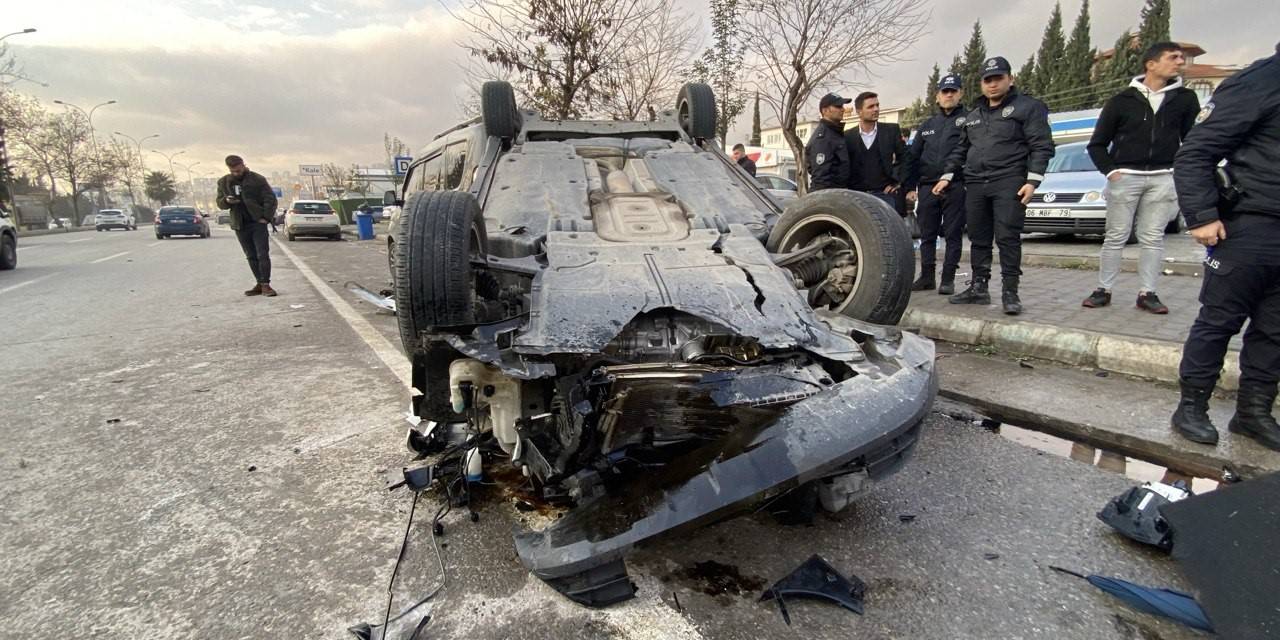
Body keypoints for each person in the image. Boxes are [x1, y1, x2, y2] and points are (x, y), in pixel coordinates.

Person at [1169, 43, 1280, 452]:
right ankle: (1192, 407)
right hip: (1250, 224)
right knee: (1219, 321)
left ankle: (1253, 413)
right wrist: (1201, 215)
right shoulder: (1260, 81)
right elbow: (1196, 152)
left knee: (1275, 330)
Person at [1083, 42, 1200, 314]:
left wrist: (1178, 171)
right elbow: (1097, 144)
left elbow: (1193, 140)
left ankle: (1148, 293)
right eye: (1173, 57)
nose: (1179, 62)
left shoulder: (1184, 99)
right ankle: (1103, 290)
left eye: (1181, 58)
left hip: (1162, 178)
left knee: (1153, 237)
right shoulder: (1122, 101)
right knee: (1116, 236)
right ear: (1151, 64)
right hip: (1126, 177)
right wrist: (1112, 172)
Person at [934, 56, 1054, 315]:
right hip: (976, 183)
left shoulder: (1028, 107)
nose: (992, 84)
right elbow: (961, 149)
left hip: (1009, 181)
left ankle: (1010, 292)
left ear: (1010, 79)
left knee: (1007, 238)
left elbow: (1041, 145)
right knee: (978, 238)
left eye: (998, 78)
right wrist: (947, 175)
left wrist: (1033, 180)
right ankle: (979, 288)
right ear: (981, 83)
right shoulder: (974, 116)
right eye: (987, 80)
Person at [905, 73, 969, 294]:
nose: (949, 95)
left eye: (953, 91)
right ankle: (927, 277)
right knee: (927, 235)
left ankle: (948, 280)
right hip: (927, 187)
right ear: (937, 96)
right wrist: (910, 187)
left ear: (960, 93)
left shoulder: (970, 120)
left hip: (956, 185)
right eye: (945, 91)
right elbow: (912, 157)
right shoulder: (927, 125)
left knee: (953, 234)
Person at [217, 155, 279, 297]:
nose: (236, 173)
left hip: (257, 222)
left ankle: (266, 284)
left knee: (262, 254)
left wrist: (265, 217)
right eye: (233, 171)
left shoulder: (257, 179)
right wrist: (227, 201)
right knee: (250, 255)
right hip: (240, 223)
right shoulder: (224, 182)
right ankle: (259, 283)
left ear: (243, 165)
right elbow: (220, 203)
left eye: (238, 170)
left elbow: (270, 199)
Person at [844, 91, 906, 211]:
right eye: (871, 106)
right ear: (859, 111)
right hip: (857, 197)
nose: (876, 109)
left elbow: (904, 158)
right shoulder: (847, 137)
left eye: (877, 105)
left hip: (885, 196)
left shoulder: (891, 131)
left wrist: (896, 182)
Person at [805, 93, 853, 191]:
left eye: (842, 106)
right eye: (838, 106)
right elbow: (820, 178)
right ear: (825, 111)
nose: (843, 109)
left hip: (838, 192)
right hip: (829, 194)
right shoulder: (823, 138)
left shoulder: (834, 133)